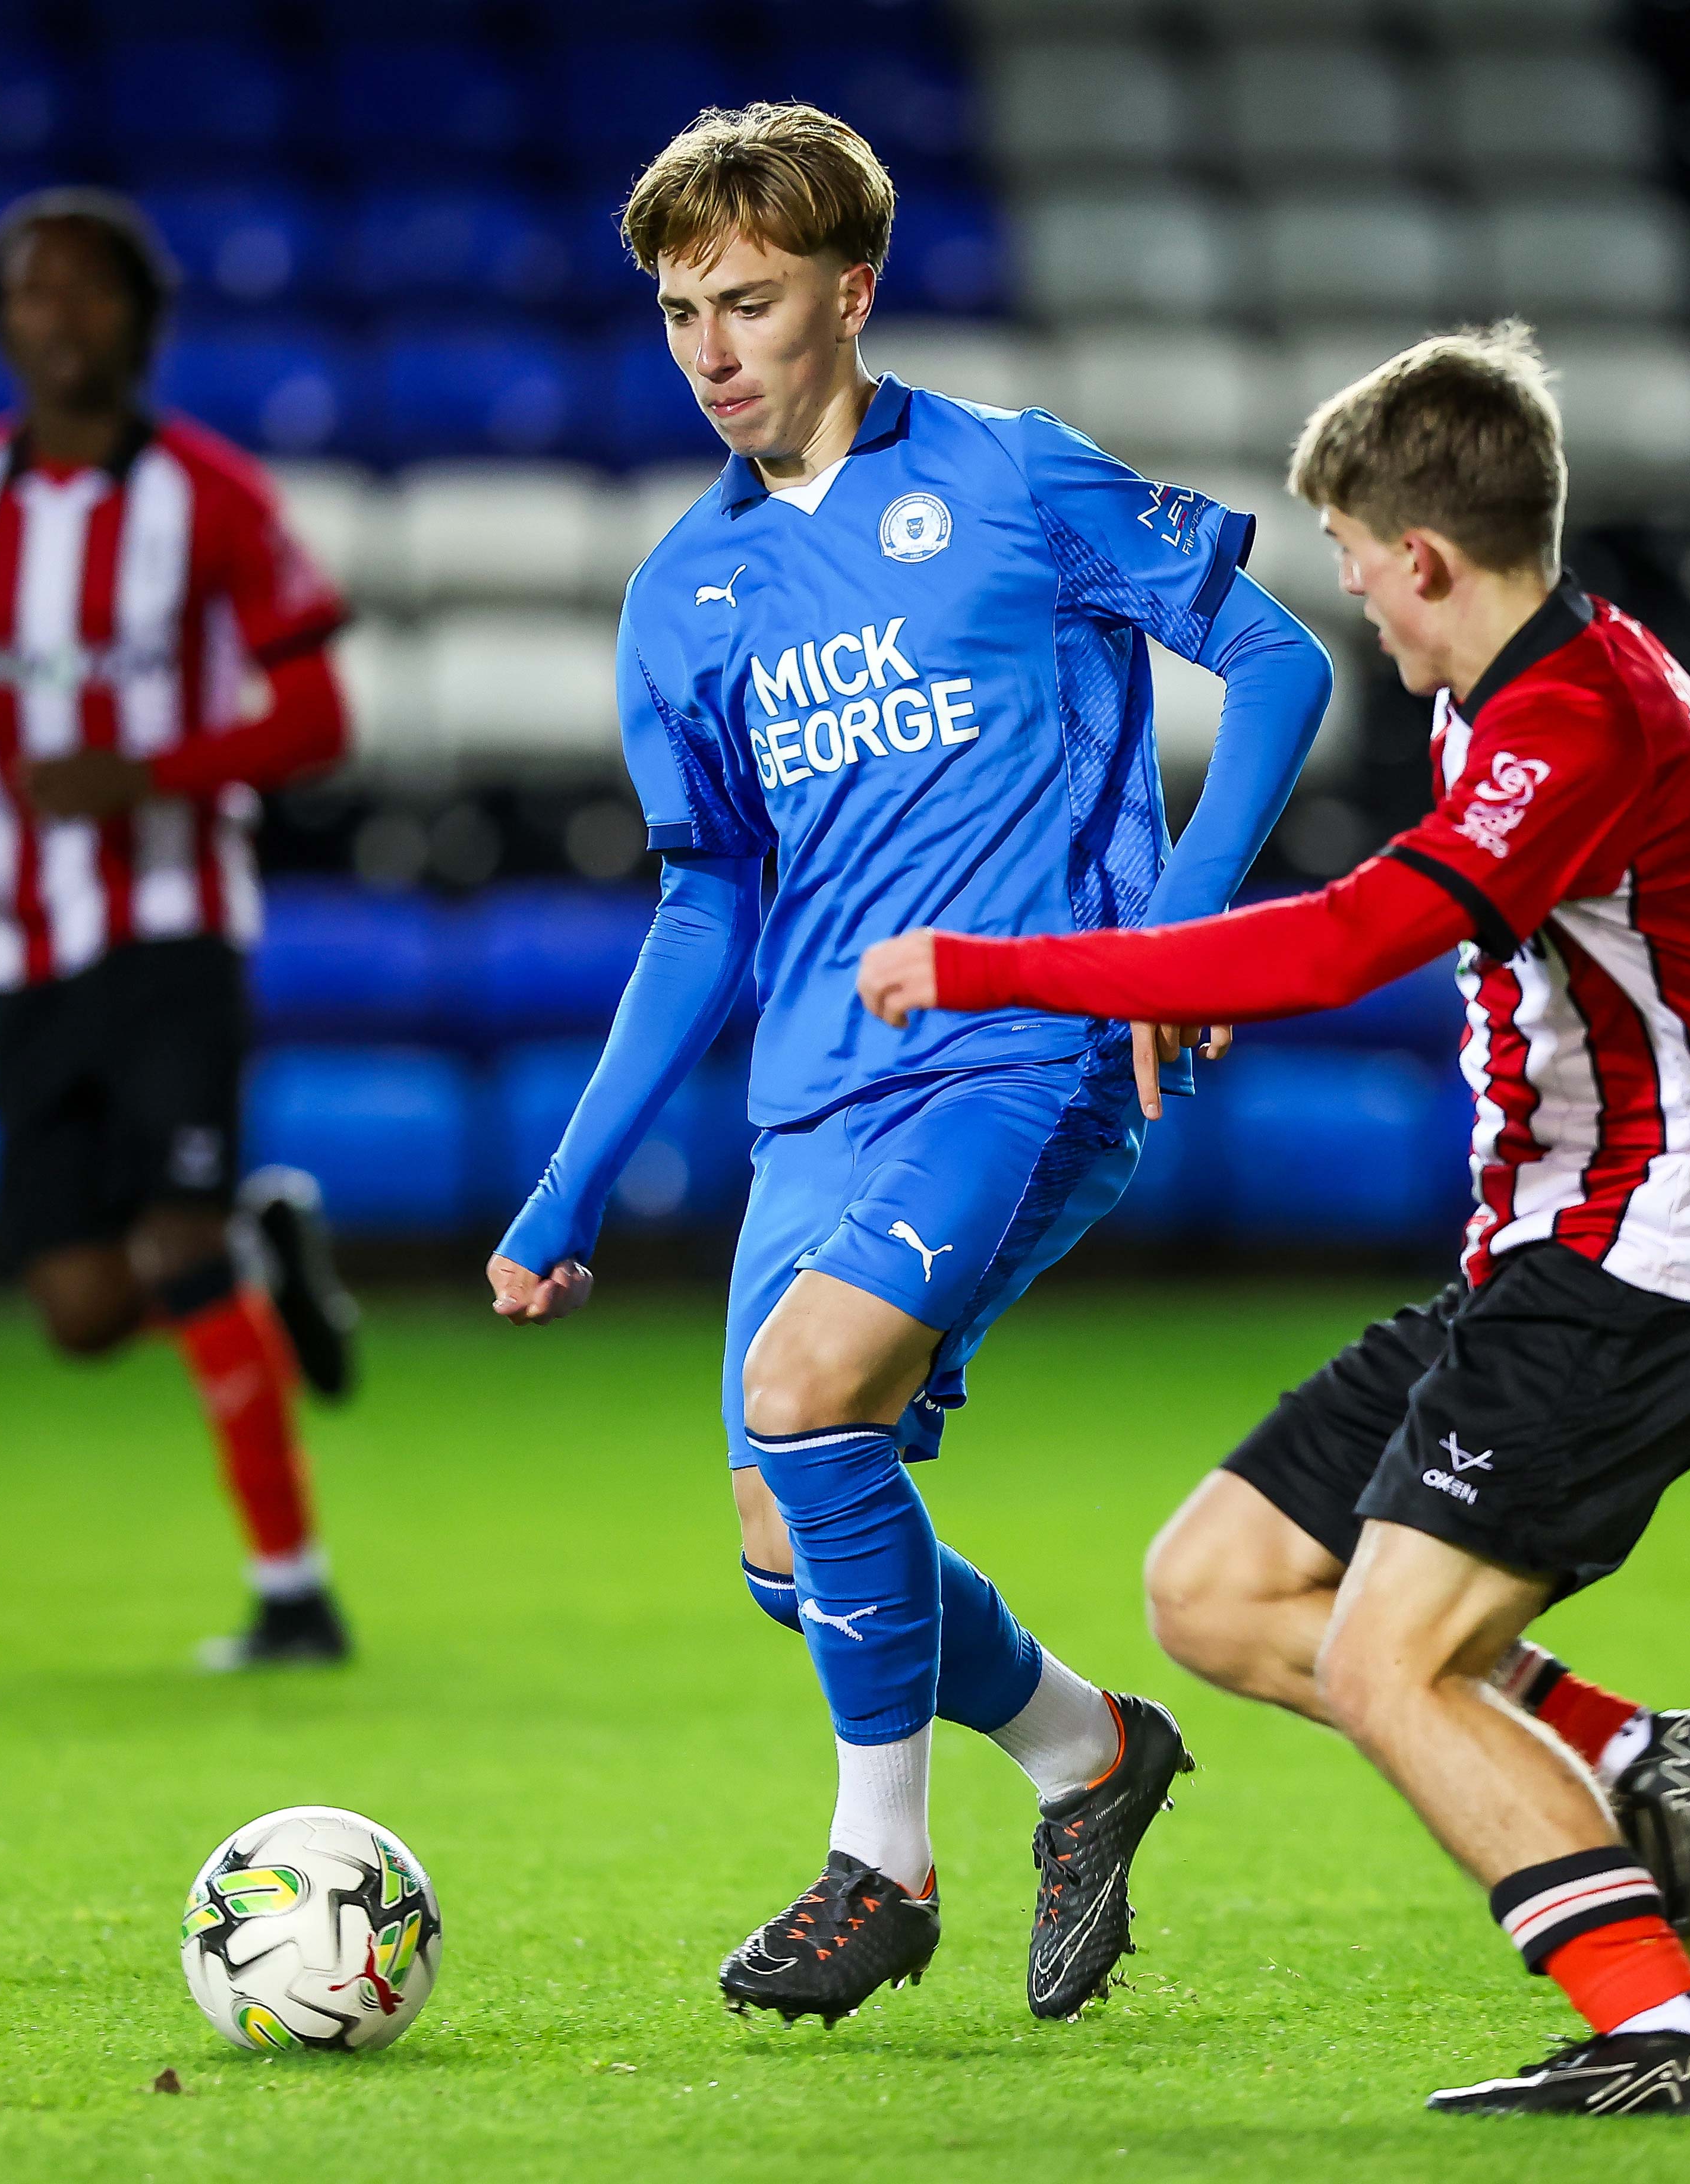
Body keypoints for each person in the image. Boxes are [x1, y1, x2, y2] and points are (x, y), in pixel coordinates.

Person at [860, 324, 1690, 2117]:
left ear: (1427, 557)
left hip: (1641, 1266)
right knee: (1213, 1589)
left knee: (1386, 1661)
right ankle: (1629, 1758)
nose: (1361, 600)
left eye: (1363, 565)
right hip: (1542, 1258)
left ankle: (1661, 2032)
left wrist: (995, 967)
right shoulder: (1563, 684)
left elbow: (1355, 935)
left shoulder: (1571, 709)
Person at [481, 105, 1334, 2025]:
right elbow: (705, 908)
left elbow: (1277, 664)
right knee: (790, 1533)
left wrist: (1167, 956)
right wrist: (567, 1182)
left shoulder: (1015, 478)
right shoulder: (681, 599)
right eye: (681, 312)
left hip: (1023, 1051)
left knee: (802, 1394)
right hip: (816, 1095)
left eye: (752, 304)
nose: (713, 351)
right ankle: (1085, 1751)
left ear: (849, 292)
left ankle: (880, 1860)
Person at [0, 190, 365, 1669]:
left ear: (139, 319)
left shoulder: (212, 498)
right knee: (85, 1306)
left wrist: (148, 774)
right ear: (0, 321)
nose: (63, 316)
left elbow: (317, 715)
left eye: (93, 291)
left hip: (173, 926)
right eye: (35, 292)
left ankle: (293, 1591)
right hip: (23, 943)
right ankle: (251, 1237)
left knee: (163, 1234)